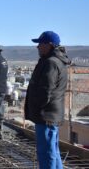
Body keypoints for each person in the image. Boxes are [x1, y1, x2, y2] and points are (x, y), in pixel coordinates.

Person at [25, 31, 70, 169]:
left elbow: (45, 90)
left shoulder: (51, 62)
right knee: (52, 152)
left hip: (46, 115)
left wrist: (36, 108)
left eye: (40, 44)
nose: (37, 47)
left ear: (49, 45)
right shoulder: (55, 61)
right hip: (51, 114)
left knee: (46, 153)